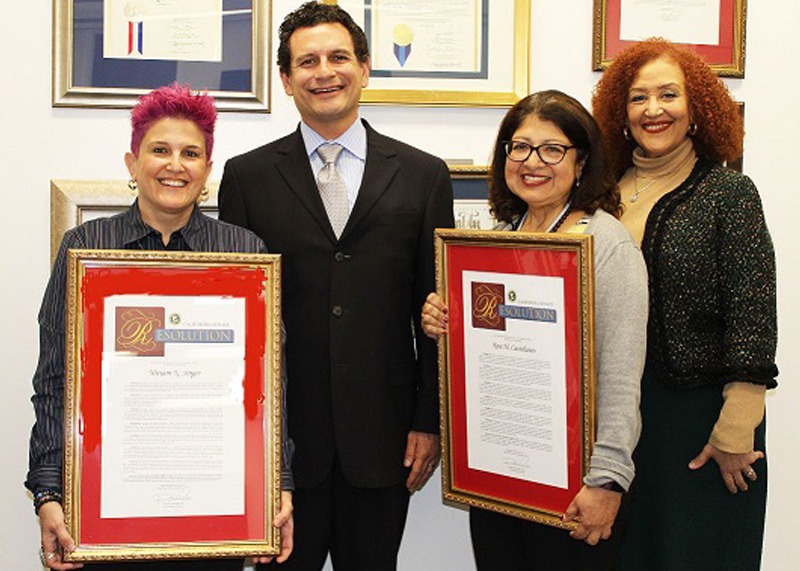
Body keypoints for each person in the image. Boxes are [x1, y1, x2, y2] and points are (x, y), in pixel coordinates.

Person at [217, 3, 454, 570]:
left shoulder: (423, 175)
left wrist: (429, 420)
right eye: (307, 61)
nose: (324, 71)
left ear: (365, 68)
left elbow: (436, 311)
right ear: (286, 79)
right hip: (282, 449)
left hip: (386, 440)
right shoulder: (246, 177)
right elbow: (234, 322)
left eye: (338, 57)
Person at [25, 84, 294, 571]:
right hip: (108, 509)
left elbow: (270, 389)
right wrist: (48, 491)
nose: (176, 165)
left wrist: (279, 484)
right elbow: (54, 381)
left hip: (214, 506)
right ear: (132, 164)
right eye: (160, 150)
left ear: (208, 171)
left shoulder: (245, 254)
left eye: (191, 153)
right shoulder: (88, 248)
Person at [421, 90, 648, 570]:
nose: (532, 162)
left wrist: (607, 480)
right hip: (501, 482)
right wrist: (447, 321)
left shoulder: (606, 245)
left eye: (552, 149)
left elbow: (622, 374)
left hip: (575, 490)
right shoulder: (499, 243)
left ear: (581, 161)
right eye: (519, 147)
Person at [591, 38, 778, 570]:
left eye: (668, 95)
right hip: (619, 417)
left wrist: (737, 427)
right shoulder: (600, 194)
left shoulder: (729, 193)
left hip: (702, 421)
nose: (653, 110)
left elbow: (753, 313)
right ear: (620, 114)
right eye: (637, 98)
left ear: (696, 107)